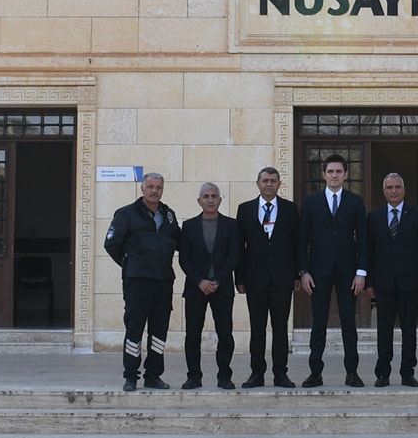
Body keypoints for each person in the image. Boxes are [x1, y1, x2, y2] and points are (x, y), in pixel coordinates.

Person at [104, 172, 181, 392]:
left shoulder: (169, 215)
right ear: (142, 189)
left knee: (159, 330)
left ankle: (153, 375)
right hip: (137, 281)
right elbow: (111, 244)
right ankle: (131, 376)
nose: (154, 190)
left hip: (163, 281)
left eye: (159, 187)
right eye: (151, 186)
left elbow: (177, 241)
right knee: (135, 328)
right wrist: (129, 264)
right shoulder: (127, 214)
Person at [297, 154, 369, 388]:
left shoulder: (355, 201)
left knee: (349, 323)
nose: (335, 176)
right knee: (318, 324)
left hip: (348, 272)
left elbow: (364, 239)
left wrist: (361, 272)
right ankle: (315, 372)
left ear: (346, 175)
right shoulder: (311, 202)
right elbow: (301, 239)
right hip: (318, 272)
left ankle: (352, 372)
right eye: (330, 172)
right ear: (324, 174)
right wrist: (303, 271)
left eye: (339, 172)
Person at [234, 167, 300, 389]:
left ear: (279, 184)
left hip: (283, 279)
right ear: (258, 184)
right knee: (257, 328)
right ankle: (256, 373)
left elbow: (297, 244)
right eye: (265, 180)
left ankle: (281, 373)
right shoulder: (245, 210)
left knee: (280, 328)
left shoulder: (291, 210)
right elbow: (239, 247)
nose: (269, 184)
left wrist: (298, 273)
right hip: (255, 279)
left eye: (273, 180)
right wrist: (239, 277)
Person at [366, 173, 418, 388]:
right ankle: (382, 373)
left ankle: (407, 372)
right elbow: (368, 251)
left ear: (404, 190)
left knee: (409, 329)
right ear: (384, 191)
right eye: (389, 187)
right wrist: (369, 282)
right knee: (383, 329)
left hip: (410, 283)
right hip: (383, 283)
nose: (394, 191)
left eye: (397, 187)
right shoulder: (374, 217)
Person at [178, 182, 240, 390]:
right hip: (196, 289)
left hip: (222, 288)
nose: (210, 200)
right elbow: (184, 259)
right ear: (199, 201)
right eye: (206, 196)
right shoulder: (188, 226)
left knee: (225, 334)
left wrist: (218, 280)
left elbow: (234, 256)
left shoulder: (231, 225)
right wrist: (200, 281)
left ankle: (224, 376)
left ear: (220, 200)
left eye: (214, 196)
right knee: (192, 335)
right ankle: (193, 376)